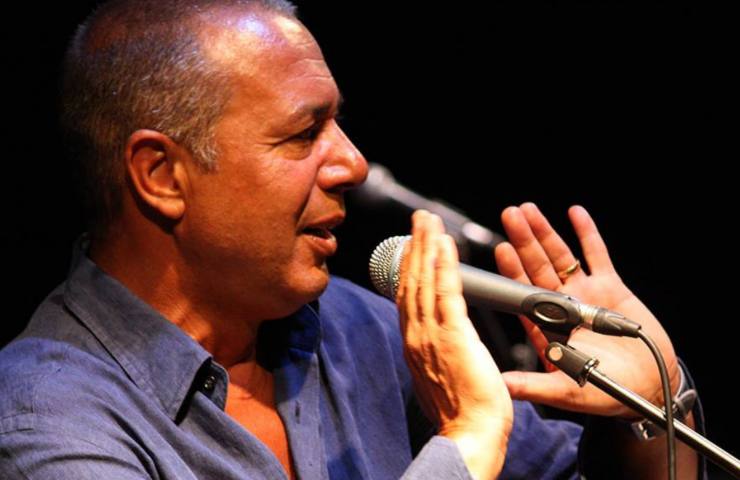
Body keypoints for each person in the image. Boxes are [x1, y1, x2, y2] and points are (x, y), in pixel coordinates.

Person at [0, 0, 703, 478]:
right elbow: (474, 444)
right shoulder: (44, 416)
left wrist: (649, 407)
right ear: (162, 175)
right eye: (303, 133)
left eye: (337, 124)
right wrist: (466, 442)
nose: (353, 164)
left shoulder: (363, 329)